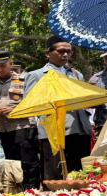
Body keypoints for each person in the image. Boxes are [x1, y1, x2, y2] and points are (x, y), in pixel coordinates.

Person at [24, 36, 92, 181]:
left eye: (69, 51)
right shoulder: (36, 75)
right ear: (48, 53)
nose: (66, 54)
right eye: (61, 51)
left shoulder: (76, 74)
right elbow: (30, 103)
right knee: (55, 177)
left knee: (80, 176)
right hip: (54, 133)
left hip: (80, 130)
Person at [0, 51, 40, 190]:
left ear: (10, 64)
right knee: (1, 164)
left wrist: (14, 110)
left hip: (22, 127)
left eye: (2, 65)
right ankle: (5, 194)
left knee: (27, 162)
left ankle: (31, 192)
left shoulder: (25, 80)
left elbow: (33, 101)